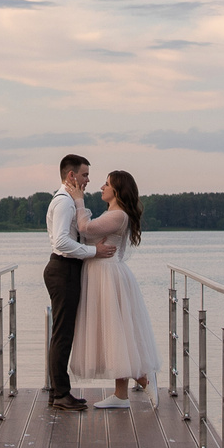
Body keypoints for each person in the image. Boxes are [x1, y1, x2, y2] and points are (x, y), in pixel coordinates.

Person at [71, 170, 160, 409]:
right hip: (102, 274)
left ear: (117, 191)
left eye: (107, 184)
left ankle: (143, 378)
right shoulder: (114, 213)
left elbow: (84, 228)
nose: (101, 187)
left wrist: (79, 199)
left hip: (107, 276)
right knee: (114, 334)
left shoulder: (118, 215)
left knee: (114, 330)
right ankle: (121, 395)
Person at [42, 154, 113, 412]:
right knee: (63, 333)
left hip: (66, 269)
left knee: (62, 332)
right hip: (63, 270)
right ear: (71, 175)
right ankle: (61, 393)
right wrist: (95, 252)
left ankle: (57, 391)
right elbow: (61, 242)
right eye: (84, 174)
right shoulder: (64, 203)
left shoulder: (71, 201)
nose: (88, 179)